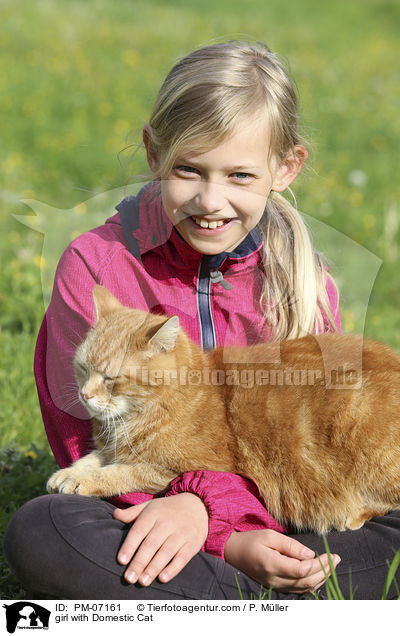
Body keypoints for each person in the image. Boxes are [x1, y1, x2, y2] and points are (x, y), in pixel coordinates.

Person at [4, 40, 400, 600]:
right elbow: (86, 455)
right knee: (46, 528)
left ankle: (230, 598)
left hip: (290, 516)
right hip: (156, 523)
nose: (211, 200)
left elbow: (325, 451)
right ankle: (294, 595)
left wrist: (234, 520)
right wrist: (224, 535)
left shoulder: (304, 277)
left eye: (240, 176)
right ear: (153, 154)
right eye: (189, 170)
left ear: (285, 169)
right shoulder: (97, 268)